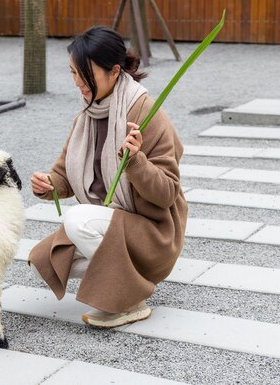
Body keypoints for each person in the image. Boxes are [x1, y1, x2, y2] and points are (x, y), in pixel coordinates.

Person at [28, 26, 188, 329]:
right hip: (111, 223)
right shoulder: (88, 114)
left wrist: (136, 161)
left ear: (114, 72)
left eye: (84, 74)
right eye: (73, 73)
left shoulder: (145, 113)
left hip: (152, 232)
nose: (77, 83)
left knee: (77, 220)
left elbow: (167, 193)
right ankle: (126, 280)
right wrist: (48, 184)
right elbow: (63, 174)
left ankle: (130, 300)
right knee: (44, 262)